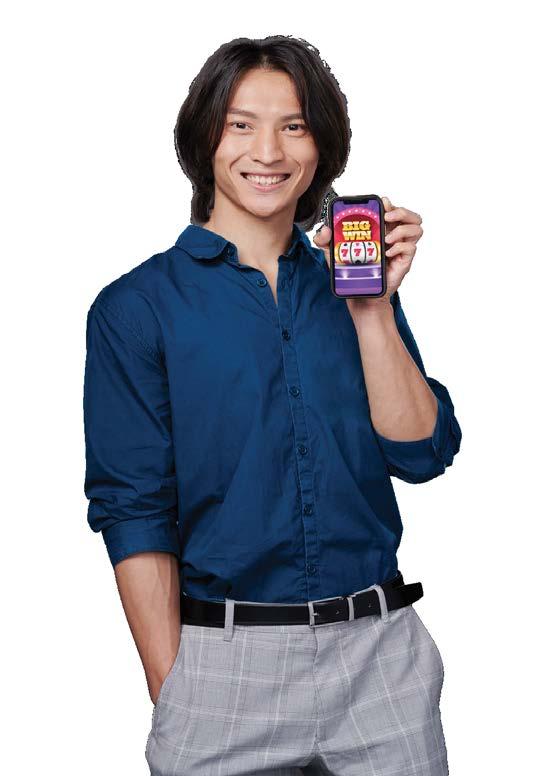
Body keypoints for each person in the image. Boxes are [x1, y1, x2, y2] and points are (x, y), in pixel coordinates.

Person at [83, 35, 462, 776]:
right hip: (224, 669)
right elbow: (133, 507)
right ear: (206, 138)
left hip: (380, 658)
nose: (269, 151)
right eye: (241, 124)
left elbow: (423, 452)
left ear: (322, 147)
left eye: (294, 126)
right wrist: (174, 688)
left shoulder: (352, 286)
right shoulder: (136, 308)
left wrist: (374, 310)